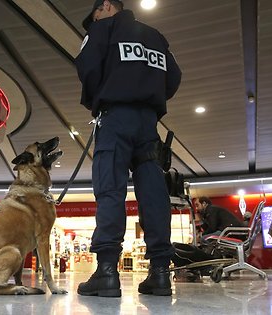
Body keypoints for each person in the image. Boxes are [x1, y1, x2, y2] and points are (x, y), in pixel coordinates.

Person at [75, 0, 181, 297]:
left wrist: (106, 93)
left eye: (95, 15)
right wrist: (147, 91)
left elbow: (86, 68)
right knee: (153, 192)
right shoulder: (156, 37)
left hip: (115, 119)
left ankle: (106, 271)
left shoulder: (101, 31)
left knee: (110, 188)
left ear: (106, 6)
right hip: (148, 124)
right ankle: (160, 273)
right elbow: (173, 77)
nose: (94, 21)